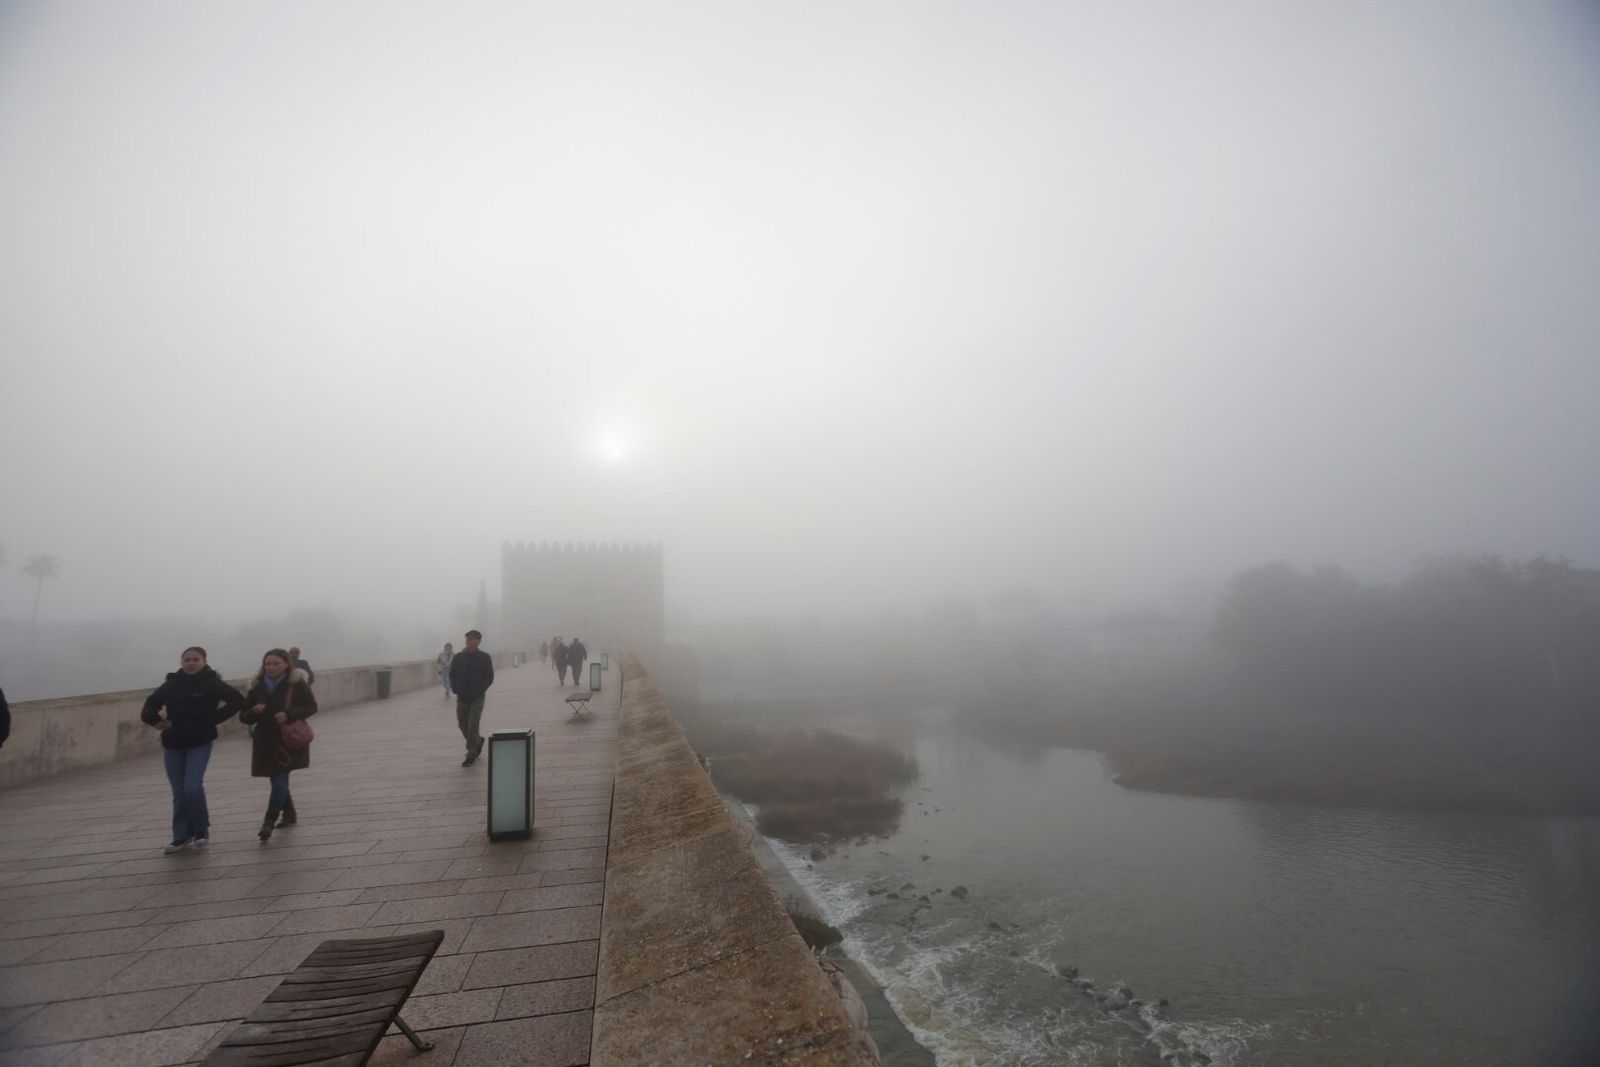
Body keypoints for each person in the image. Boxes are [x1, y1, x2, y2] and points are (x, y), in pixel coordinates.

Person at [139, 646, 245, 853]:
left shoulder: (211, 683)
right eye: (187, 659)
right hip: (173, 742)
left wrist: (211, 720)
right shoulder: (171, 684)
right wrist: (154, 720)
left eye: (195, 659)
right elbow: (151, 704)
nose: (191, 663)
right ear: (181, 662)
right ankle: (180, 835)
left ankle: (200, 829)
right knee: (179, 791)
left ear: (204, 661)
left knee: (192, 787)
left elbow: (237, 700)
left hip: (200, 740)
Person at [240, 648, 318, 841]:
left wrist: (289, 714)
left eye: (276, 663)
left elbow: (311, 706)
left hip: (288, 740)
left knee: (280, 778)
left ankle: (269, 820)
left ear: (286, 664)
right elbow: (243, 716)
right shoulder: (256, 686)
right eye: (268, 664)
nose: (272, 667)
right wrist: (254, 712)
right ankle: (289, 812)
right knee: (276, 779)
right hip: (265, 740)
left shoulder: (296, 683)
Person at [448, 629, 494, 767]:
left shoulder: (485, 657)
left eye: (473, 638)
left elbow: (489, 676)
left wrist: (480, 690)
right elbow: (452, 674)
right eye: (468, 638)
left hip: (477, 696)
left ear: (479, 641)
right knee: (463, 724)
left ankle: (471, 752)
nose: (469, 641)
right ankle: (478, 740)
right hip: (462, 696)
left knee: (473, 724)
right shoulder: (458, 657)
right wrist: (456, 689)